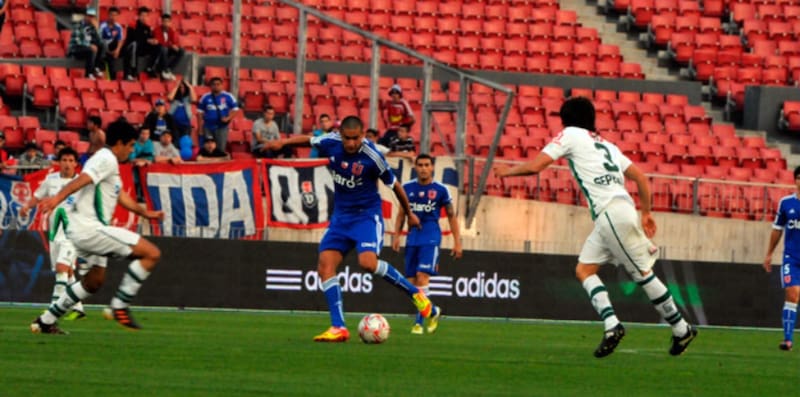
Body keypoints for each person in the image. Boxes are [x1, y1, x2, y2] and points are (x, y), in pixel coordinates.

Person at [493, 97, 697, 358]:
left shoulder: (570, 135)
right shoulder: (608, 145)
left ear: (566, 119)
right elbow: (641, 178)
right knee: (584, 269)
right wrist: (645, 212)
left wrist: (506, 172)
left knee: (642, 274)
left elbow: (537, 166)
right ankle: (612, 325)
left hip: (611, 212)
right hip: (615, 213)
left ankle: (681, 328)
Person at [267, 115, 441, 342]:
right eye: (347, 138)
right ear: (341, 135)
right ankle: (338, 327)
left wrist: (409, 214)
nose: (350, 143)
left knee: (367, 263)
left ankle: (416, 295)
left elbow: (395, 185)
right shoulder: (330, 142)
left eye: (355, 138)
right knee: (325, 265)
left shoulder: (372, 156)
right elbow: (309, 140)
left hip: (367, 216)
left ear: (362, 135)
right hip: (341, 217)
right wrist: (283, 143)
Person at [30, 118, 164, 334]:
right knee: (151, 254)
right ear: (119, 143)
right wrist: (57, 198)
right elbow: (82, 179)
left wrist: (144, 212)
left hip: (82, 230)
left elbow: (118, 194)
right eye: (130, 146)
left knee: (94, 281)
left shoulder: (109, 163)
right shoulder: (106, 158)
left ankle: (46, 320)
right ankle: (119, 306)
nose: (131, 151)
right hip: (89, 229)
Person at [392, 154, 462, 335]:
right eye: (420, 165)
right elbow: (401, 213)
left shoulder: (441, 190)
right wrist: (396, 235)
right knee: (410, 283)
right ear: (415, 167)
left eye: (427, 165)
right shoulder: (407, 188)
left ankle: (418, 323)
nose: (423, 168)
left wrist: (457, 242)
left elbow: (452, 216)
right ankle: (433, 311)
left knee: (422, 277)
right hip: (412, 237)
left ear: (432, 168)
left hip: (430, 236)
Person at [20, 147, 87, 321]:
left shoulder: (81, 183)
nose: (67, 164)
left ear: (76, 164)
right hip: (54, 233)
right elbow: (37, 196)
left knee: (61, 269)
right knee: (68, 271)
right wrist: (27, 207)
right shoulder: (51, 180)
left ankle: (53, 310)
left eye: (71, 161)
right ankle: (78, 307)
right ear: (59, 163)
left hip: (73, 233)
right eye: (64, 160)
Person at [763, 166, 800, 351]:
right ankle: (787, 339)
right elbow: (777, 229)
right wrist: (769, 253)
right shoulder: (786, 203)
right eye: (799, 177)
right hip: (791, 258)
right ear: (795, 180)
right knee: (793, 293)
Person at [197, 77, 240, 152]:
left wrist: (228, 118)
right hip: (208, 127)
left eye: (218, 84)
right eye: (214, 84)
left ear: (222, 85)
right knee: (208, 149)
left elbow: (235, 109)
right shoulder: (205, 97)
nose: (216, 86)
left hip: (221, 127)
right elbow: (200, 112)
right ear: (210, 86)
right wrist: (200, 128)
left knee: (220, 149)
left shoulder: (228, 96)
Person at [68, 8, 105, 79]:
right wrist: (89, 45)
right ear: (85, 16)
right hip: (76, 48)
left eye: (92, 16)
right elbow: (78, 40)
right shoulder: (79, 25)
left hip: (87, 49)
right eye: (89, 16)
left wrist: (97, 29)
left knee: (102, 45)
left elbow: (99, 41)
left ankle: (96, 66)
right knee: (91, 50)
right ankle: (88, 74)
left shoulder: (93, 27)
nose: (91, 18)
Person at [122, 7, 156, 80]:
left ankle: (151, 68)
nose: (144, 18)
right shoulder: (132, 26)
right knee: (135, 45)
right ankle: (133, 70)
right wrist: (146, 40)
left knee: (158, 46)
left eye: (146, 16)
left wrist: (153, 41)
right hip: (130, 48)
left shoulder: (147, 28)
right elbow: (134, 39)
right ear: (138, 16)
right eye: (142, 15)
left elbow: (150, 38)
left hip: (142, 48)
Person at [151, 13, 183, 80]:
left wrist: (175, 46)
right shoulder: (157, 30)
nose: (166, 23)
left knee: (181, 51)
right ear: (162, 22)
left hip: (167, 48)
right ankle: (165, 70)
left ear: (170, 22)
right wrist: (171, 45)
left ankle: (169, 68)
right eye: (164, 21)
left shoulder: (171, 31)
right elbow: (159, 42)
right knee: (164, 48)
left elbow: (173, 41)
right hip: (158, 50)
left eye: (168, 22)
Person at [99, 6, 124, 80]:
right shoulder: (103, 26)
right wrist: (108, 51)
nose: (113, 17)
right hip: (105, 49)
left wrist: (118, 50)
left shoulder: (118, 27)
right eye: (111, 15)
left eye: (115, 15)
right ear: (108, 15)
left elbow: (120, 40)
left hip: (114, 50)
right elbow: (99, 40)